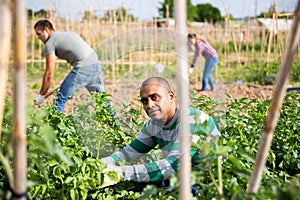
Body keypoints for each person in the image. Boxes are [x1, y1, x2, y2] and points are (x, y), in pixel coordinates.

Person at [101, 77, 221, 192]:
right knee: (138, 184)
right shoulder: (153, 125)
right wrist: (104, 163)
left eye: (155, 97)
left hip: (210, 181)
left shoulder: (192, 119)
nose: (149, 105)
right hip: (182, 177)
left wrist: (121, 172)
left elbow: (174, 164)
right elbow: (130, 152)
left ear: (170, 96)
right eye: (144, 101)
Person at [33, 19, 105, 113]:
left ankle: (57, 127)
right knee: (102, 101)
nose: (38, 38)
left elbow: (49, 74)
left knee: (60, 99)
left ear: (46, 30)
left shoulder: (49, 43)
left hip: (83, 67)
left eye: (38, 34)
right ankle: (115, 126)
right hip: (95, 65)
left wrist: (41, 95)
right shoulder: (69, 34)